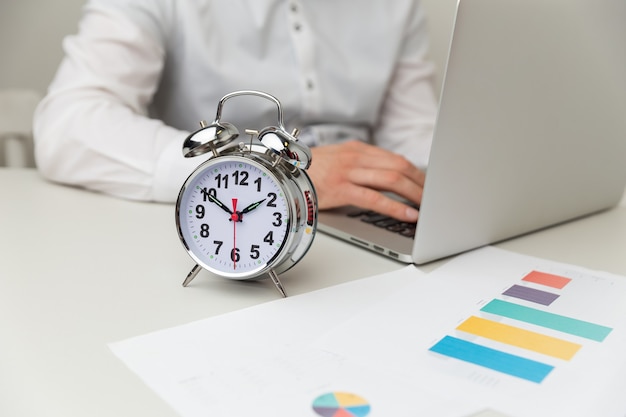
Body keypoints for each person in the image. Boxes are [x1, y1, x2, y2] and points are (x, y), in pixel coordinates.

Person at [33, 0, 438, 222]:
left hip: (367, 218)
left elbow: (415, 135)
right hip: (228, 220)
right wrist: (267, 173)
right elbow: (68, 125)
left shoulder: (399, 7)